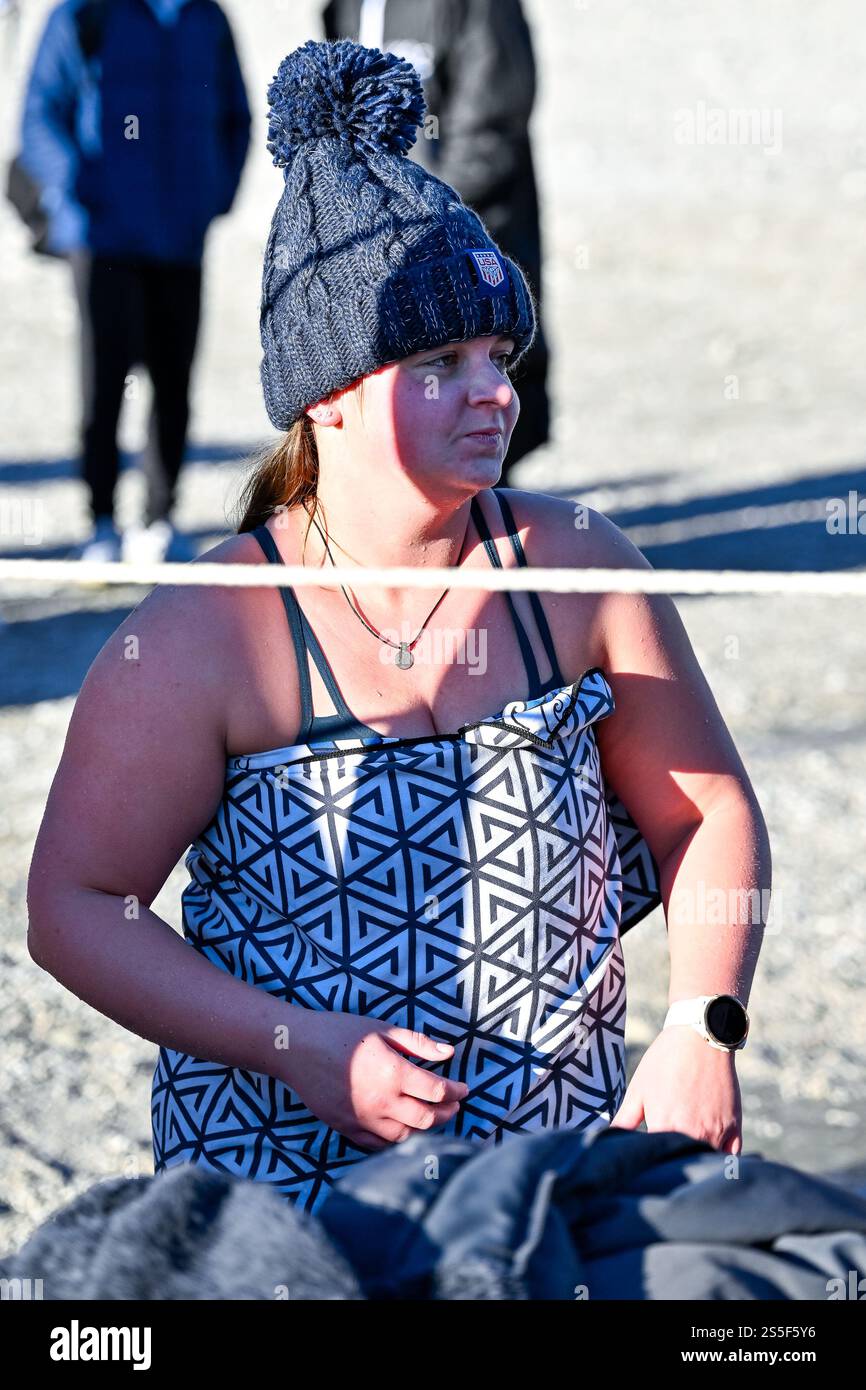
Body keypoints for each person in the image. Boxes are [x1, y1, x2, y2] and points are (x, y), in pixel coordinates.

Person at [27, 40, 769, 1215]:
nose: (494, 392)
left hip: (546, 1195)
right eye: (440, 362)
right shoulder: (201, 633)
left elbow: (708, 811)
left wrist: (700, 1022)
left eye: (497, 354)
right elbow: (77, 904)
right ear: (326, 393)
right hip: (286, 1213)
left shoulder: (572, 564)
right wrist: (293, 1042)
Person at [16, 0, 251, 563]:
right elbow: (40, 115)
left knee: (174, 381)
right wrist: (77, 200)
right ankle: (99, 520)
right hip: (105, 241)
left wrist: (211, 197)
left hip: (181, 239)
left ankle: (160, 517)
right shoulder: (83, 14)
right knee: (104, 379)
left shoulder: (207, 18)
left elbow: (236, 116)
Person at [322, 0, 550, 487]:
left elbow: (492, 124)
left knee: (471, 434)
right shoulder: (346, 8)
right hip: (370, 257)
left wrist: (423, 224)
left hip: (464, 253)